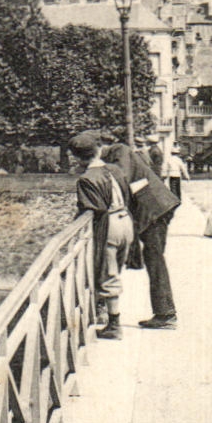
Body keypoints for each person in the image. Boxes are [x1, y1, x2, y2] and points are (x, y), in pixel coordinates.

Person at [105, 141, 181, 330]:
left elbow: (121, 177)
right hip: (154, 208)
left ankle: (166, 314)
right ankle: (164, 312)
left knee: (155, 260)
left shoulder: (119, 150)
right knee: (154, 259)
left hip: (154, 210)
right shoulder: (117, 153)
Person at [71, 131, 135, 340]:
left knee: (108, 273)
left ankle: (114, 325)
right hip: (125, 220)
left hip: (109, 226)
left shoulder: (86, 179)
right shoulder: (115, 170)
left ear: (77, 157)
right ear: (98, 150)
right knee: (115, 269)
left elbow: (93, 208)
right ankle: (104, 312)